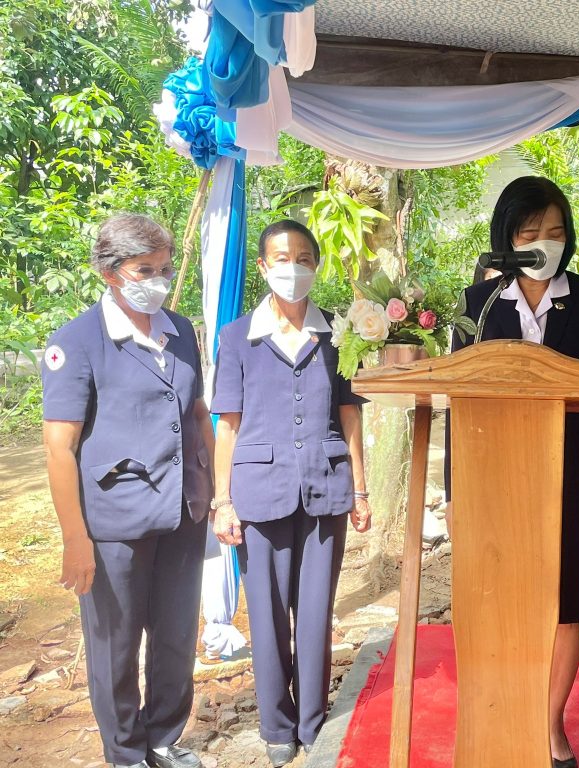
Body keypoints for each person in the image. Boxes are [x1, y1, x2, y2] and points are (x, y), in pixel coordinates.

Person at [447, 176, 579, 768]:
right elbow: (457, 402)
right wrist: (457, 492)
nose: (544, 242)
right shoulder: (478, 302)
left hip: (572, 478)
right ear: (507, 238)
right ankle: (505, 716)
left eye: (555, 231)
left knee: (565, 605)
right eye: (529, 233)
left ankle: (548, 726)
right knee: (503, 600)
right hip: (496, 481)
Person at [41, 213, 213, 768]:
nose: (158, 280)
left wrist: (213, 489)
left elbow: (197, 413)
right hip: (114, 522)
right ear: (110, 272)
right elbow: (60, 447)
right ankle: (125, 752)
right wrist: (76, 539)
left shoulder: (179, 331)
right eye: (145, 270)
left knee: (176, 636)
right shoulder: (77, 342)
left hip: (182, 511)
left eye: (164, 268)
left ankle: (163, 737)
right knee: (115, 645)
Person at [210, 220, 372, 767]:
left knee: (316, 613)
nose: (293, 268)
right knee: (268, 612)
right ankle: (276, 724)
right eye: (282, 258)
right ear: (262, 266)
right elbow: (228, 424)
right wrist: (222, 501)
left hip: (327, 487)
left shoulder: (340, 334)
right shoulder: (238, 337)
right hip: (258, 491)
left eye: (304, 258)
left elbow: (349, 415)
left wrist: (361, 489)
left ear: (316, 266)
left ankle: (313, 721)